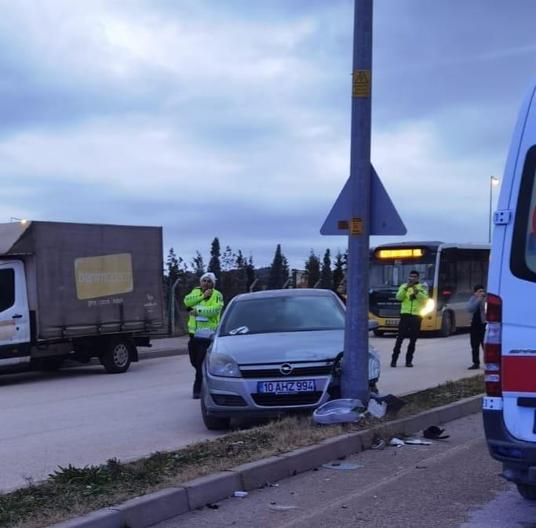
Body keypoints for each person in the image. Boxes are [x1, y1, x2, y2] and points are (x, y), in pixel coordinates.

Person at [183, 272, 224, 399]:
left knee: (201, 362)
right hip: (194, 334)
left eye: (209, 281)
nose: (206, 283)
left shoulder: (217, 295)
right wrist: (201, 297)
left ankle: (198, 389)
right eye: (204, 280)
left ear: (213, 283)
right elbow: (186, 302)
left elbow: (214, 310)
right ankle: (205, 380)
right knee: (194, 361)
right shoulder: (196, 292)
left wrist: (198, 311)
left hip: (207, 334)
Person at [391, 270, 428, 368]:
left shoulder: (422, 287)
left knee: (413, 340)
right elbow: (398, 297)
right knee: (399, 339)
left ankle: (408, 361)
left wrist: (417, 293)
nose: (412, 278)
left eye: (415, 277)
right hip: (405, 315)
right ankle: (394, 360)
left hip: (416, 316)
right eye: (411, 276)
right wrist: (406, 288)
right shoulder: (403, 286)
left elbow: (425, 300)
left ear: (418, 278)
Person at [467, 284, 486, 369]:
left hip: (484, 325)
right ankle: (475, 363)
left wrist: (482, 300)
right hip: (474, 325)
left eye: (482, 291)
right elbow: (470, 309)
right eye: (479, 291)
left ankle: (488, 362)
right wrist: (478, 300)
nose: (481, 293)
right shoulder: (473, 299)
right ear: (475, 293)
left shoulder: (486, 299)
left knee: (485, 345)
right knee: (474, 345)